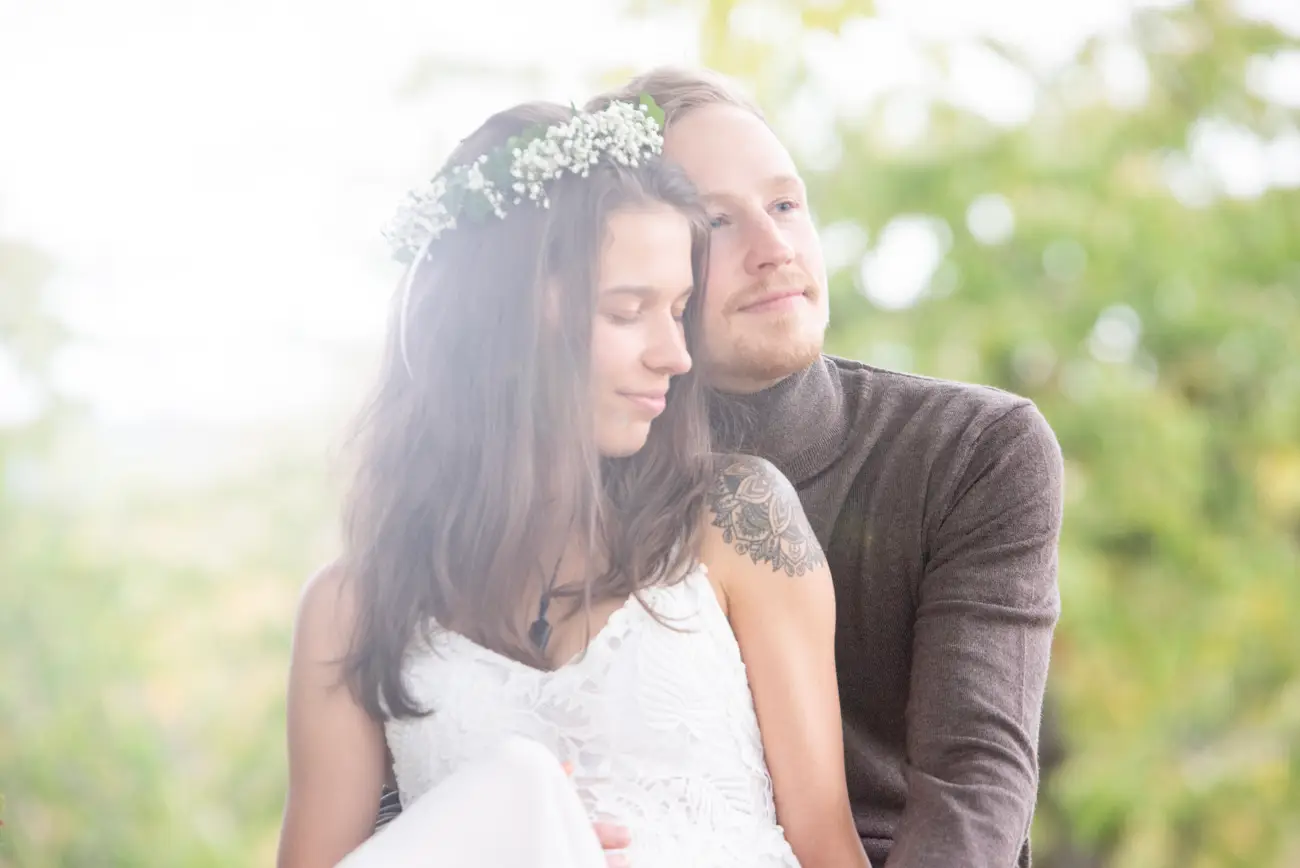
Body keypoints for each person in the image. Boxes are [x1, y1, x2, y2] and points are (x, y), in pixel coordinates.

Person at [277, 97, 871, 868]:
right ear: (506, 325)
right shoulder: (353, 611)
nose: (675, 355)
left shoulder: (736, 520)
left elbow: (828, 845)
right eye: (629, 312)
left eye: (679, 311)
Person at [585, 67, 1067, 868]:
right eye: (716, 224)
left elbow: (977, 783)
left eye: (784, 205)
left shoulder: (975, 448)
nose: (775, 250)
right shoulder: (569, 477)